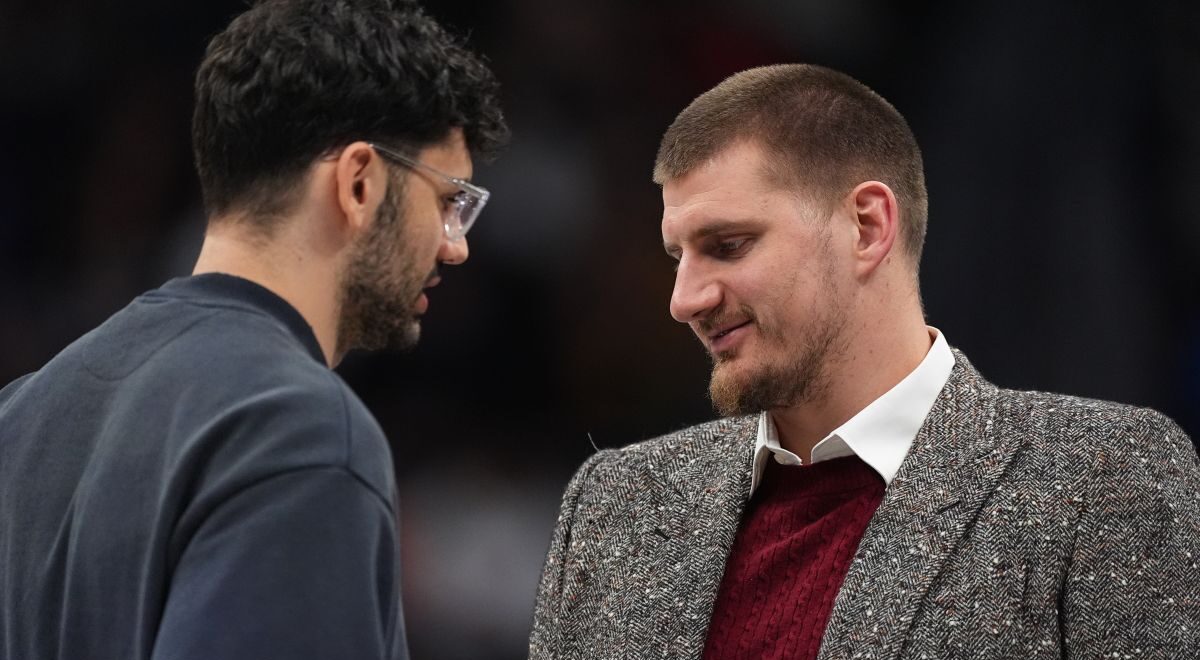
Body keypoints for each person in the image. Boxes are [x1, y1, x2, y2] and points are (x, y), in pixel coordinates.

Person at [529, 64, 1199, 660]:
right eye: (680, 257)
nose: (684, 300)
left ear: (868, 227)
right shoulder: (615, 503)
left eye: (728, 245)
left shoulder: (1104, 479)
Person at [0, 1, 507, 658]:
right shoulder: (298, 429)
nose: (454, 246)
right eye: (447, 200)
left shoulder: (19, 415)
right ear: (358, 182)